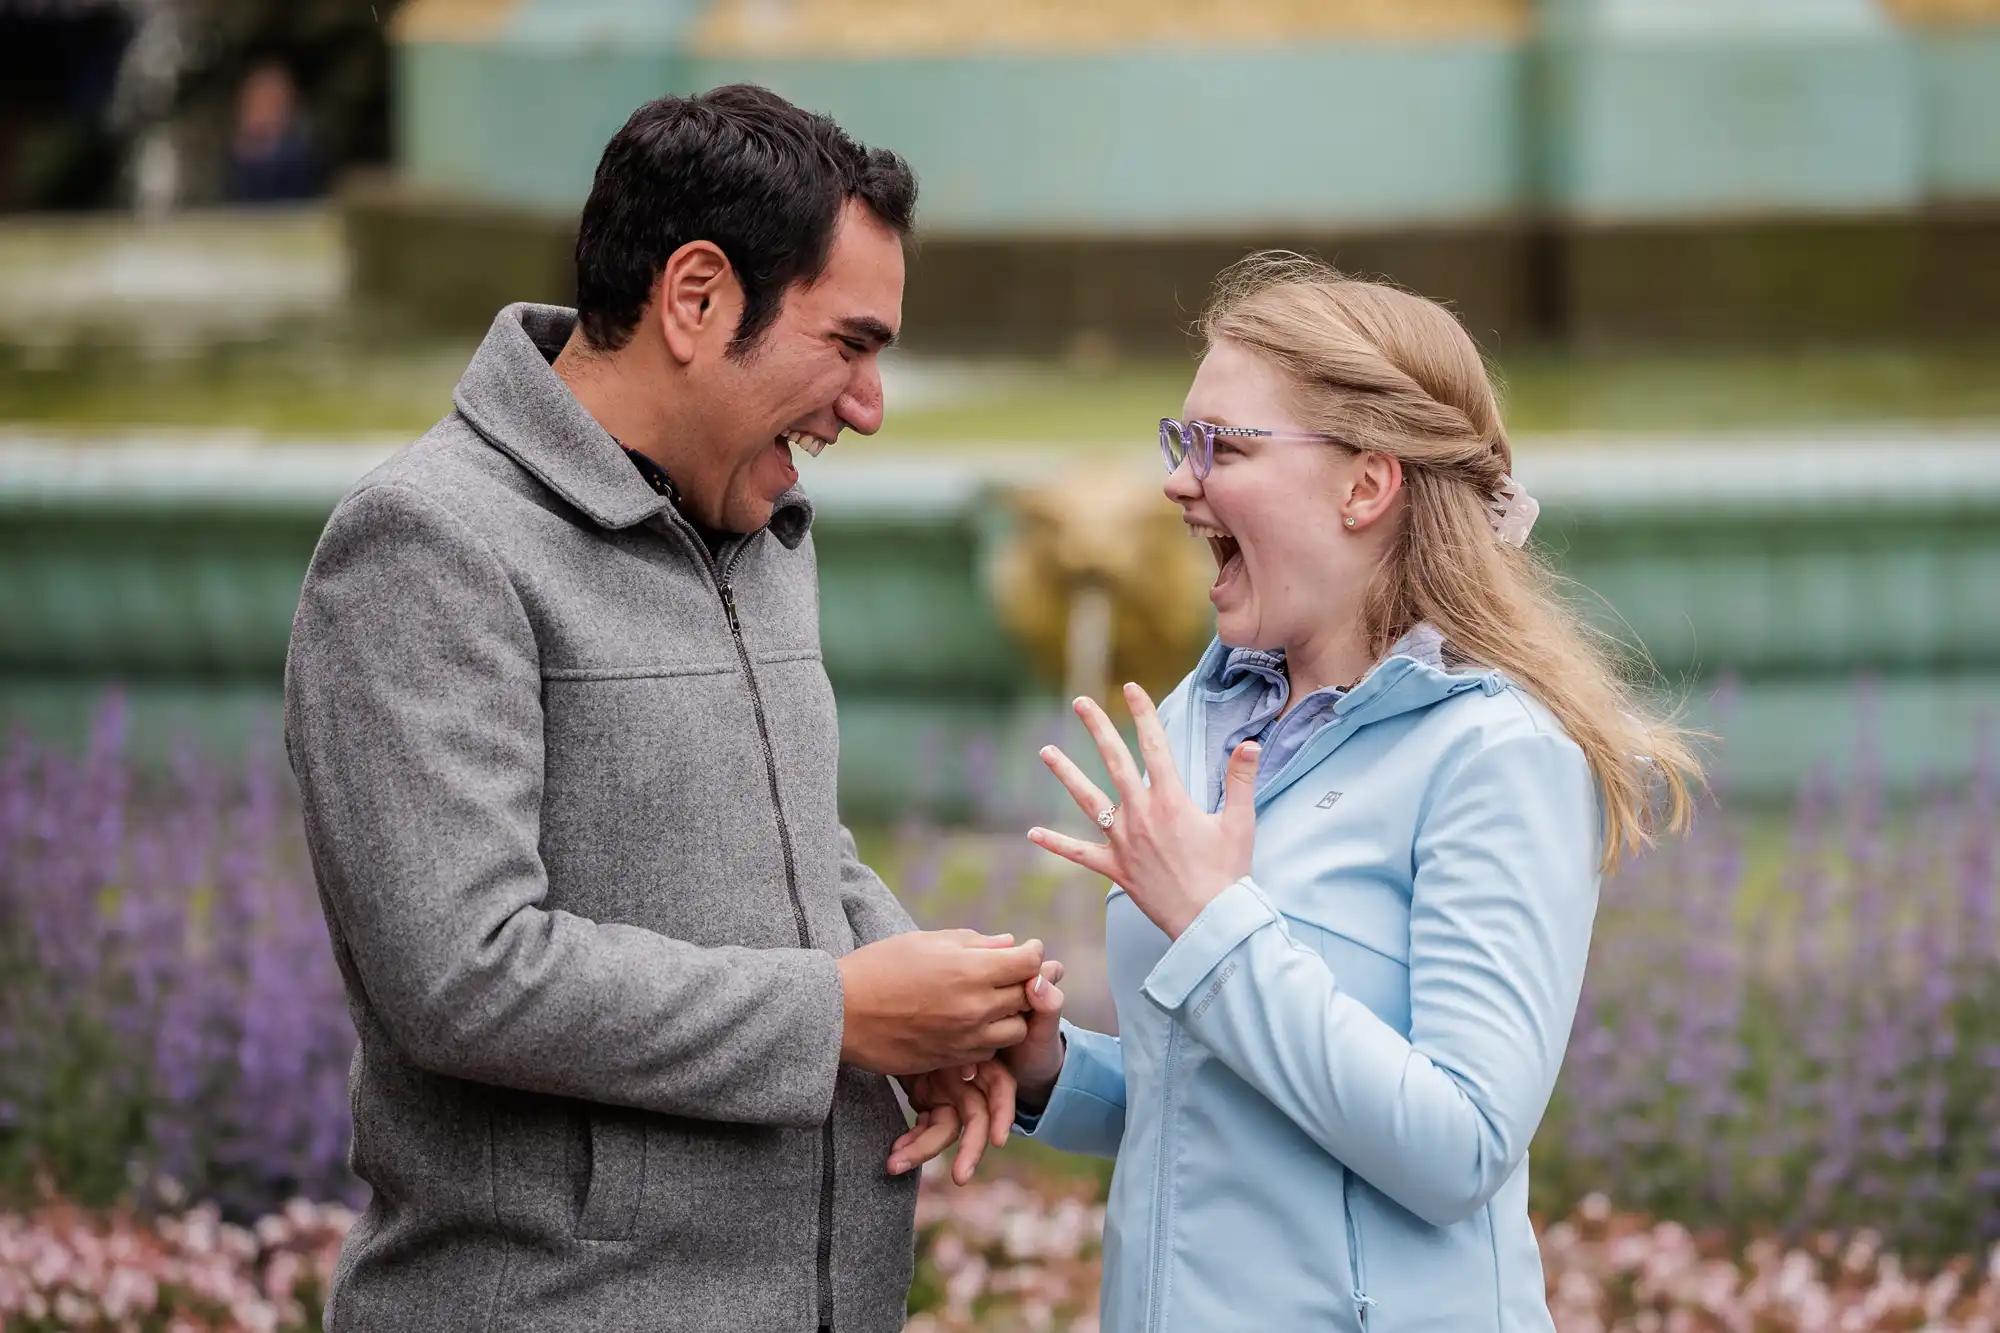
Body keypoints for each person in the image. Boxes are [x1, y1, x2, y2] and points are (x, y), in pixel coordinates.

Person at [284, 85, 1051, 1333]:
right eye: (848, 344)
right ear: (695, 297)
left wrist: (947, 1004)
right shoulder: (426, 545)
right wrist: (843, 1013)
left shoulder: (758, 523)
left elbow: (799, 850)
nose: (866, 405)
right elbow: (463, 971)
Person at [1001, 253, 1704, 1331]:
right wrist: (1047, 1069)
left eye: (1221, 445)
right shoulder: (1206, 710)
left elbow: (1457, 1145)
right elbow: (1213, 1098)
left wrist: (1215, 925)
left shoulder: (1496, 754)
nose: (1177, 481)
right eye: (1177, 441)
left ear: (1365, 484)